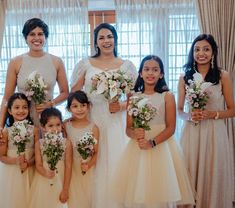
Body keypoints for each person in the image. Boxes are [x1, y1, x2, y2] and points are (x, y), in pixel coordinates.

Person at [111, 55, 195, 208]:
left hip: (161, 147)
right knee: (140, 190)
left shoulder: (167, 96)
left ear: (161, 74)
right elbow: (128, 129)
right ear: (141, 73)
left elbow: (171, 127)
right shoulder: (133, 97)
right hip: (138, 148)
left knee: (160, 190)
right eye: (147, 69)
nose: (150, 73)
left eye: (155, 70)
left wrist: (152, 142)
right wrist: (135, 134)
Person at [70, 23, 137, 208]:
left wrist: (121, 105)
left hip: (117, 121)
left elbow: (135, 99)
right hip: (93, 119)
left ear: (115, 40)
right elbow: (74, 94)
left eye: (110, 37)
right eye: (101, 37)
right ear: (96, 42)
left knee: (117, 161)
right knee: (93, 160)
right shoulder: (85, 64)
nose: (106, 41)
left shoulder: (127, 66)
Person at [177, 34, 235, 208]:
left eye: (206, 49)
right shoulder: (184, 77)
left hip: (214, 132)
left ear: (213, 52)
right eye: (197, 49)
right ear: (192, 52)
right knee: (189, 170)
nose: (201, 53)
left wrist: (213, 114)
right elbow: (179, 110)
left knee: (211, 171)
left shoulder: (222, 76)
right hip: (192, 131)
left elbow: (232, 110)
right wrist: (189, 116)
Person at [0, 17, 69, 131]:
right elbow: (7, 98)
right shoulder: (15, 62)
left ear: (45, 37)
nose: (37, 38)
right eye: (32, 34)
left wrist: (50, 103)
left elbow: (65, 92)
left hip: (48, 122)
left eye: (40, 34)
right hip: (23, 120)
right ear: (25, 38)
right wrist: (1, 125)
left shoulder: (56, 61)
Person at [0, 92, 39, 208]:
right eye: (17, 107)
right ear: (10, 111)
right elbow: (1, 156)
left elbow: (38, 154)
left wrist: (28, 163)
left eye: (24, 107)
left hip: (31, 169)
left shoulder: (35, 130)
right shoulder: (6, 132)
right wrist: (16, 161)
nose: (21, 111)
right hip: (12, 172)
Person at [29, 107, 72, 208]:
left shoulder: (67, 143)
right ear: (43, 127)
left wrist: (65, 189)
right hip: (43, 180)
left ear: (62, 125)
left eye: (58, 125)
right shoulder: (39, 144)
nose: (55, 129)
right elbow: (38, 164)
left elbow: (68, 166)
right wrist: (45, 173)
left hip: (60, 180)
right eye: (50, 126)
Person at [64, 90, 99, 208]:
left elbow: (96, 153)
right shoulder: (65, 125)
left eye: (83, 105)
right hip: (69, 168)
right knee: (73, 199)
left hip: (86, 169)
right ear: (69, 109)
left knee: (86, 199)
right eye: (75, 106)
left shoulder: (93, 128)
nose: (79, 109)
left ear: (88, 106)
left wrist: (88, 165)